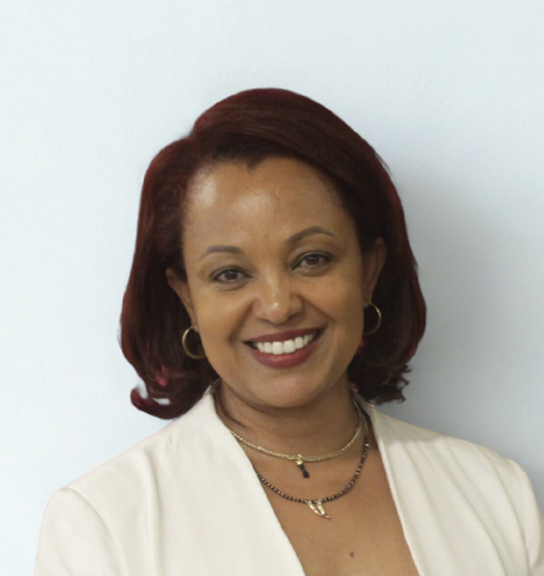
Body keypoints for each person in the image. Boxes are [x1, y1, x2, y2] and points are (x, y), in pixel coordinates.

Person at [34, 88, 543, 576]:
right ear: (187, 297)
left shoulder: (497, 496)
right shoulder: (101, 525)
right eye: (230, 274)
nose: (278, 307)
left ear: (369, 271)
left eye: (311, 259)